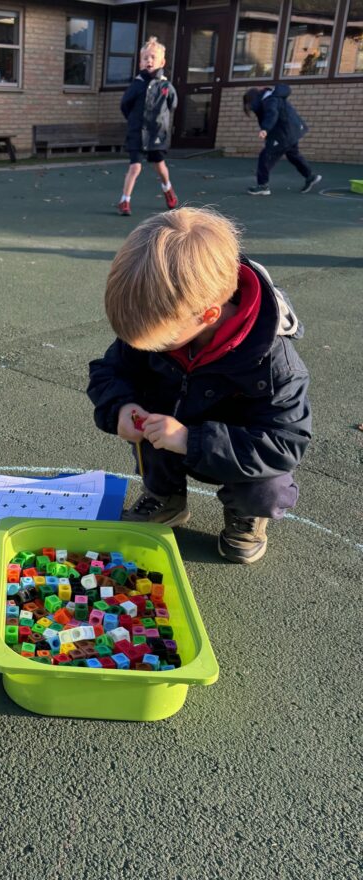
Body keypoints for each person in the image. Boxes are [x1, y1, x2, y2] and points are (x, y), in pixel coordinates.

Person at [87, 207, 311, 564]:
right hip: (171, 426)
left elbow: (284, 444)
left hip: (237, 452)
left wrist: (191, 440)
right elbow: (109, 371)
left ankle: (246, 515)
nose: (153, 350)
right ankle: (166, 498)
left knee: (267, 484)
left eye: (161, 343)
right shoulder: (165, 319)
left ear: (208, 315)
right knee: (150, 422)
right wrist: (120, 406)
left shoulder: (275, 363)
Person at [117, 36, 178, 216]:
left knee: (159, 165)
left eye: (153, 57)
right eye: (145, 58)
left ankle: (168, 189)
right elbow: (125, 105)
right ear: (140, 62)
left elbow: (172, 104)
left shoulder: (166, 86)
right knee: (135, 167)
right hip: (137, 132)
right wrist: (134, 121)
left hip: (157, 133)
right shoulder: (137, 84)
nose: (149, 61)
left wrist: (160, 122)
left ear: (162, 61)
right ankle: (124, 201)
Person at [243, 85, 321, 196]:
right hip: (292, 131)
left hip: (282, 134)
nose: (250, 107)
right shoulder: (273, 97)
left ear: (253, 99)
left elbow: (272, 114)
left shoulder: (269, 101)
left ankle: (263, 186)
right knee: (293, 154)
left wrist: (265, 129)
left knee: (265, 157)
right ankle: (310, 176)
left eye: (249, 104)